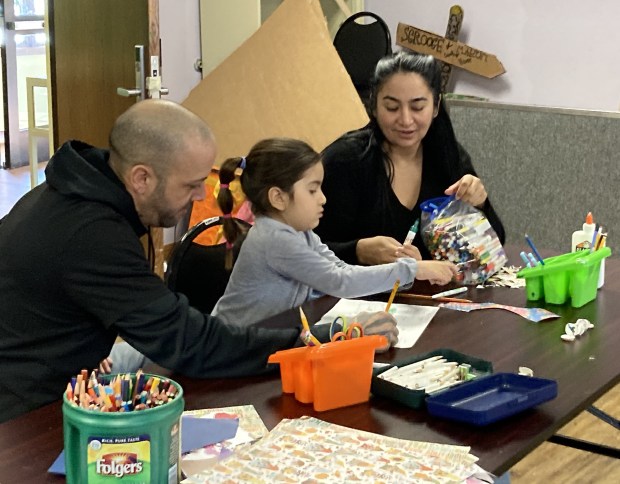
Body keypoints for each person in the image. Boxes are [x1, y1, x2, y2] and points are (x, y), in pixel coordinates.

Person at [0, 100, 396, 424]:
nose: (196, 198)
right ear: (141, 178)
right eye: (190, 185)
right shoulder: (90, 234)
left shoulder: (67, 193)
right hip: (24, 417)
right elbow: (186, 341)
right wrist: (311, 341)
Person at [211, 137, 457, 330]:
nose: (323, 198)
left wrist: (403, 271)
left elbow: (340, 268)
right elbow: (341, 282)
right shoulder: (275, 239)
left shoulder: (300, 233)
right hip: (234, 348)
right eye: (312, 190)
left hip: (267, 336)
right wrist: (414, 269)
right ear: (278, 197)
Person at [314, 52, 505, 265]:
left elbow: (494, 244)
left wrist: (480, 204)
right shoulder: (345, 161)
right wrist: (357, 251)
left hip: (429, 294)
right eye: (392, 107)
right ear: (374, 106)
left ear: (435, 107)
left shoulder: (446, 155)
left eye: (417, 107)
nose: (405, 120)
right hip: (356, 296)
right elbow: (302, 250)